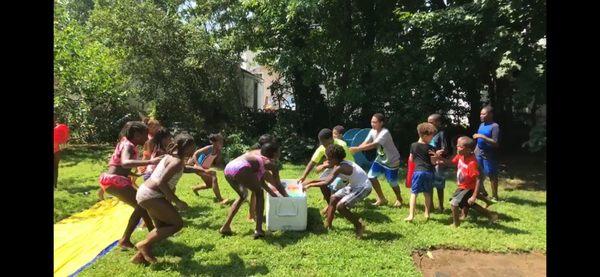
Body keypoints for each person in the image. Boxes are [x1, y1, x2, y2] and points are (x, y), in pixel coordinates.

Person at [132, 133, 195, 264]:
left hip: (147, 193)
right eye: (192, 147)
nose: (194, 149)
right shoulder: (176, 161)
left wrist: (200, 170)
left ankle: (139, 257)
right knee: (177, 224)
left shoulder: (173, 158)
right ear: (184, 147)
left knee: (161, 227)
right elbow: (161, 182)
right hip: (151, 195)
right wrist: (177, 201)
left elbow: (181, 169)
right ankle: (143, 245)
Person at [98, 121, 162, 249]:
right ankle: (125, 239)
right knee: (142, 205)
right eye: (145, 135)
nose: (146, 138)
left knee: (142, 205)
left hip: (114, 180)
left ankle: (152, 232)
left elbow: (118, 165)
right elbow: (125, 162)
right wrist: (150, 161)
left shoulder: (125, 142)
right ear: (137, 134)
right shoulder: (128, 145)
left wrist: (133, 174)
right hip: (116, 181)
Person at [219, 142, 288, 239]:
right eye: (279, 151)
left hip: (228, 169)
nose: (280, 153)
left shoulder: (257, 156)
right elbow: (278, 184)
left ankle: (225, 227)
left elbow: (260, 180)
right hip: (241, 168)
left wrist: (271, 192)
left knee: (242, 196)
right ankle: (259, 230)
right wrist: (288, 197)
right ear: (275, 153)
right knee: (259, 193)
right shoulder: (270, 164)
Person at [303, 144, 372, 238]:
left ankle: (359, 225)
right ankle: (328, 225)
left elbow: (326, 182)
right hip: (353, 185)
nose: (327, 161)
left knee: (341, 206)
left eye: (329, 159)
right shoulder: (338, 165)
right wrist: (310, 181)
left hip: (363, 187)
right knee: (333, 198)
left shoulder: (340, 167)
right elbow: (327, 178)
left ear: (335, 159)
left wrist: (310, 185)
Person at [434, 136, 498, 227]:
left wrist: (474, 196)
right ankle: (491, 216)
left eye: (460, 147)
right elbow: (451, 162)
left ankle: (456, 224)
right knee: (468, 204)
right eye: (457, 145)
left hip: (468, 188)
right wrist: (440, 159)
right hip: (462, 186)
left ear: (468, 150)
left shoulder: (471, 163)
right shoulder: (461, 155)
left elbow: (478, 179)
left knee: (454, 203)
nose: (457, 148)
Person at [349, 113, 403, 207]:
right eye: (371, 122)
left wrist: (357, 149)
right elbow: (365, 143)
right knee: (371, 177)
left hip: (392, 160)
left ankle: (399, 198)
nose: (372, 124)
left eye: (375, 122)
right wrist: (355, 148)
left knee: (392, 182)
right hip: (380, 159)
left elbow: (374, 145)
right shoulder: (372, 131)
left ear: (381, 123)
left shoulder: (384, 132)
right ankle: (382, 198)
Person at [298, 129, 354, 214]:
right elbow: (312, 162)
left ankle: (332, 205)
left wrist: (324, 165)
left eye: (326, 144)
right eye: (322, 144)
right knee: (322, 181)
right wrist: (304, 176)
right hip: (334, 166)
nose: (324, 146)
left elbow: (341, 163)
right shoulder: (322, 147)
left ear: (331, 138)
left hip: (346, 168)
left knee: (336, 185)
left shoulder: (342, 145)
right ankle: (330, 205)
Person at [405, 123, 437, 222]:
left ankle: (411, 215)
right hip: (429, 172)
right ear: (424, 136)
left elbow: (411, 158)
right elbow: (433, 162)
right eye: (431, 136)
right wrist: (435, 158)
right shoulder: (431, 148)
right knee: (427, 193)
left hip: (418, 172)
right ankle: (427, 213)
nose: (432, 138)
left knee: (414, 193)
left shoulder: (413, 145)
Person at [190, 133, 229, 204]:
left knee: (209, 185)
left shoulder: (218, 151)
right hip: (198, 167)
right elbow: (195, 154)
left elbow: (217, 163)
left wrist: (219, 155)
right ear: (213, 142)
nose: (221, 143)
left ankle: (195, 188)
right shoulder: (209, 148)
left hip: (204, 168)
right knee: (214, 175)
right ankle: (220, 199)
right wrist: (199, 166)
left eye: (222, 141)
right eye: (219, 141)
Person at [474, 106, 501, 201]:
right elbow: (478, 140)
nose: (481, 116)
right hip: (479, 153)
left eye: (483, 114)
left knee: (491, 174)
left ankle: (495, 196)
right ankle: (483, 192)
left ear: (490, 114)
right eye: (481, 114)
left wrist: (482, 136)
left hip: (489, 154)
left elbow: (495, 143)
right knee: (478, 173)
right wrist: (475, 151)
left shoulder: (495, 126)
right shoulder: (481, 125)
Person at [427, 114, 450, 212]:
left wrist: (439, 152)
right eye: (428, 122)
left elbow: (445, 149)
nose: (429, 124)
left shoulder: (441, 133)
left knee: (439, 185)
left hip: (438, 163)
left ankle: (441, 206)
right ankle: (430, 205)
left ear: (438, 123)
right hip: (428, 162)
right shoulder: (427, 133)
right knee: (429, 184)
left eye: (431, 122)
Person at [54, 114, 70, 189]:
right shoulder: (60, 128)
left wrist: (63, 145)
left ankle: (55, 184)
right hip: (57, 150)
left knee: (55, 167)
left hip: (57, 150)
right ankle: (55, 184)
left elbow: (65, 138)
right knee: (55, 167)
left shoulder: (60, 128)